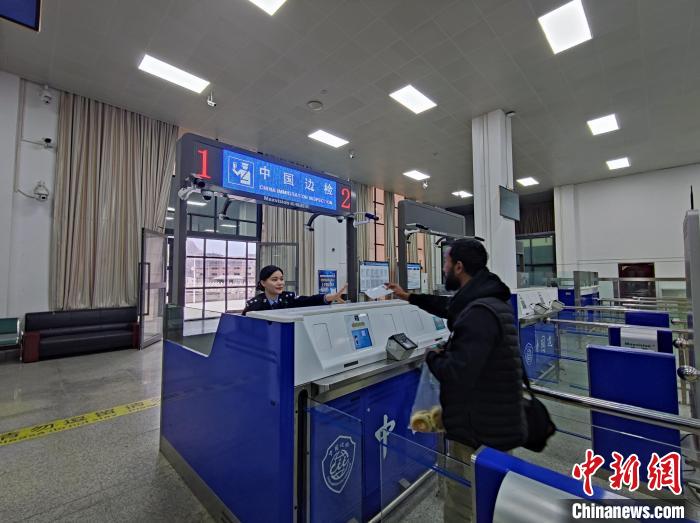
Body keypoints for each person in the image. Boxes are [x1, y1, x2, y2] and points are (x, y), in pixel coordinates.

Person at [385, 239, 526, 523]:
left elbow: (458, 372)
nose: (444, 269)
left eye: (447, 263)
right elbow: (448, 307)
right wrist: (408, 296)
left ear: (459, 267)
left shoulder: (478, 312)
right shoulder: (486, 299)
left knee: (463, 500)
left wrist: (433, 357)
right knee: (488, 496)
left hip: (479, 428)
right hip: (498, 418)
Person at [242, 265, 347, 315]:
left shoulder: (288, 297)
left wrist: (329, 297)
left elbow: (308, 300)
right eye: (274, 280)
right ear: (263, 283)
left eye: (281, 279)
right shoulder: (254, 305)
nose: (280, 283)